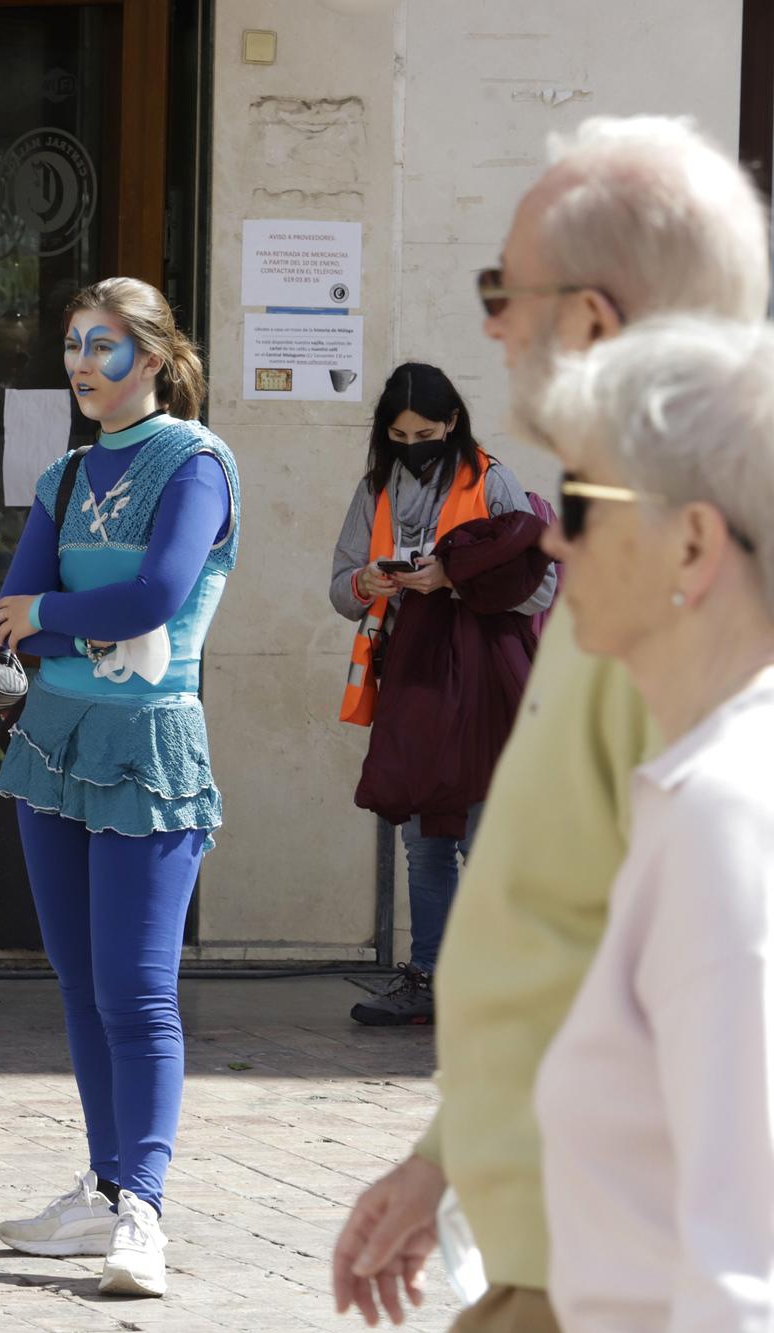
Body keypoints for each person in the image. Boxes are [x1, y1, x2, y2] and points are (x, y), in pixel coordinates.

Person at [330, 114, 770, 1333]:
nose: (486, 326)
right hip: (557, 1249)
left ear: (591, 315)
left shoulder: (684, 582)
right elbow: (555, 925)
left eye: (499, 289)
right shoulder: (624, 538)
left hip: (623, 1277)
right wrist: (446, 1157)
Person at [0, 277, 242, 1299]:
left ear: (154, 354)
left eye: (105, 345)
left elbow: (160, 595)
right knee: (81, 986)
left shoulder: (196, 461)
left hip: (148, 744)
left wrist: (53, 615)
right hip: (53, 739)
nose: (84, 365)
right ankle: (99, 1184)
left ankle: (143, 1208)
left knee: (137, 992)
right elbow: (11, 617)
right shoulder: (64, 472)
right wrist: (66, 620)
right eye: (74, 346)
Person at [525, 318, 774, 1331]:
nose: (550, 535)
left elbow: (737, 1274)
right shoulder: (697, 786)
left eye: (580, 503)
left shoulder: (722, 811)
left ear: (690, 540)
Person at [330, 363, 555, 1025]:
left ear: (452, 422)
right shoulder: (375, 489)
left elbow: (540, 587)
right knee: (424, 841)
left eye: (425, 431)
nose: (414, 442)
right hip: (414, 684)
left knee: (483, 837)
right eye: (399, 434)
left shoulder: (493, 481)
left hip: (485, 684)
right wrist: (371, 582)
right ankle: (429, 979)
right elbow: (339, 588)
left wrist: (451, 579)